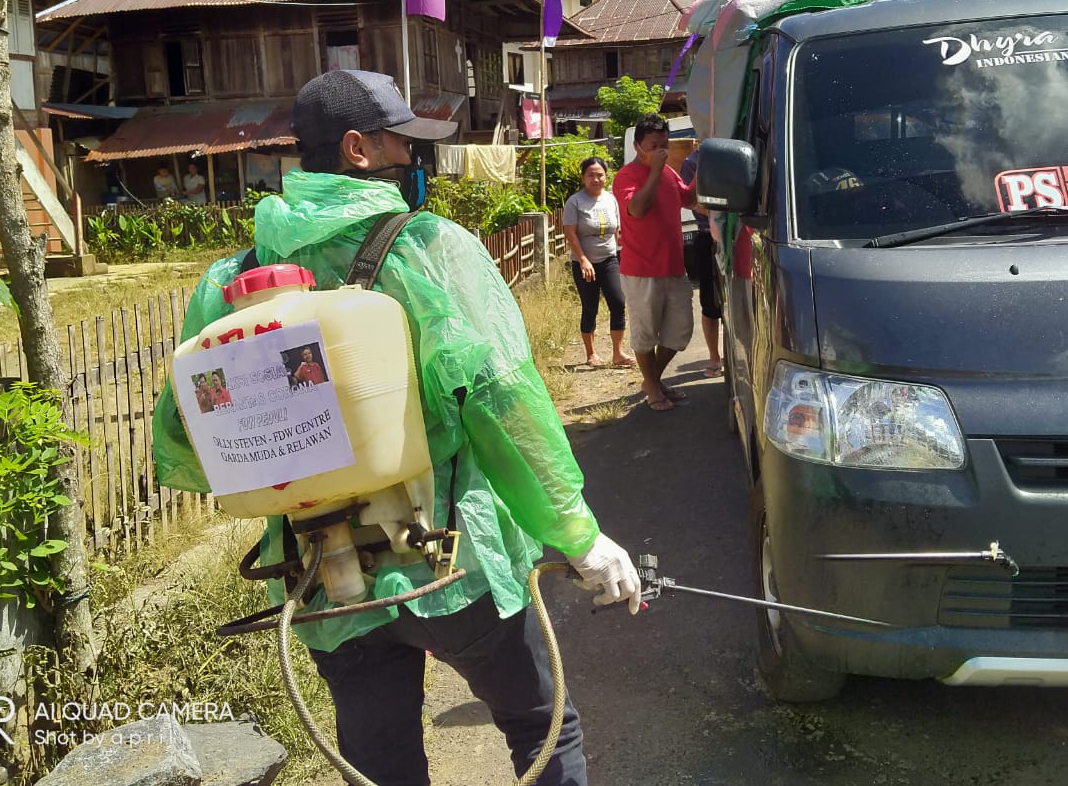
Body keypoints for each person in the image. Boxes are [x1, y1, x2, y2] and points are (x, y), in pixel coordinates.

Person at [151, 69, 641, 786]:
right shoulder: (430, 248)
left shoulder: (233, 277)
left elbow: (183, 434)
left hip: (321, 579)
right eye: (402, 141)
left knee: (381, 766)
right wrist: (577, 534)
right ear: (357, 148)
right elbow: (503, 403)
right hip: (449, 564)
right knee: (541, 726)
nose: (416, 160)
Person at [611, 113, 697, 412]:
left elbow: (687, 198)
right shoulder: (626, 176)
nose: (661, 150)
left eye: (665, 144)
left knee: (680, 331)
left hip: (674, 266)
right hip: (642, 269)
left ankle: (652, 380)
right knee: (646, 334)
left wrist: (705, 165)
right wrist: (655, 171)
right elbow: (637, 209)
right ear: (638, 147)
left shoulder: (669, 172)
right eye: (654, 145)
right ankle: (653, 388)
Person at [561, 157, 635, 368]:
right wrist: (583, 259)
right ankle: (591, 354)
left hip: (609, 259)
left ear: (606, 176)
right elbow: (571, 233)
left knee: (618, 302)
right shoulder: (574, 202)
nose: (596, 179)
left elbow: (618, 230)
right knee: (590, 306)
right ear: (583, 178)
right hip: (584, 262)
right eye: (591, 175)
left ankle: (618, 353)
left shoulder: (611, 199)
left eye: (600, 174)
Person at [680, 146, 723, 377]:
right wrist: (723, 215)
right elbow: (691, 201)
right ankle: (714, 357)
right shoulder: (692, 162)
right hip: (708, 237)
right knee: (710, 301)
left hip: (736, 238)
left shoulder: (735, 149)